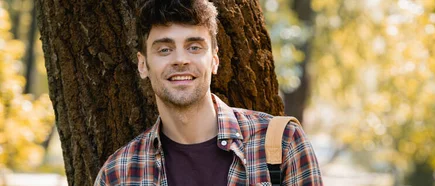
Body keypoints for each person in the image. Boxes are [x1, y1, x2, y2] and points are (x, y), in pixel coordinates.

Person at [93, 0, 322, 185]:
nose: (181, 60)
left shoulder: (283, 144)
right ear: (143, 65)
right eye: (164, 49)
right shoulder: (118, 174)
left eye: (194, 47)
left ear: (214, 60)